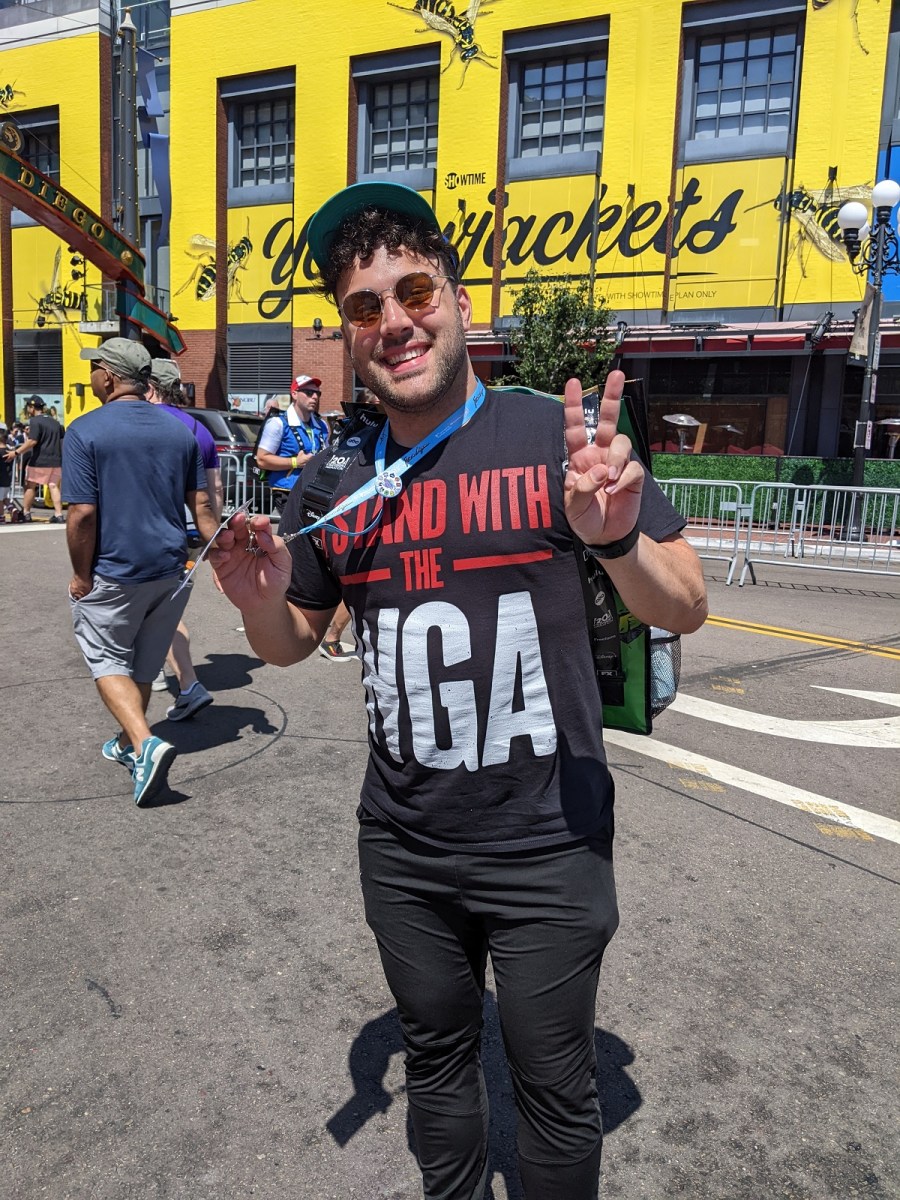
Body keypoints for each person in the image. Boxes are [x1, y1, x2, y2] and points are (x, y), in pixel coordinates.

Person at [210, 182, 707, 1199]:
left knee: (553, 1086)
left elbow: (686, 604)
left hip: (548, 842)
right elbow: (294, 640)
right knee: (437, 1065)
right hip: (403, 844)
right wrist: (261, 603)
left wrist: (613, 537)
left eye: (415, 289)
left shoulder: (552, 440)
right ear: (348, 335)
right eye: (365, 306)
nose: (395, 321)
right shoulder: (336, 476)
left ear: (461, 301)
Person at [62, 338, 219, 806]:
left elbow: (82, 515)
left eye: (95, 370)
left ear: (108, 375)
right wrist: (222, 552)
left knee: (107, 659)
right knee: (145, 664)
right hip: (172, 568)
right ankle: (130, 743)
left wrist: (81, 575)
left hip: (115, 569)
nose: (92, 377)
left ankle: (144, 742)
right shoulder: (182, 431)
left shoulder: (85, 429)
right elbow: (204, 506)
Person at [146, 357, 219, 720]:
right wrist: (213, 539)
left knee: (161, 608)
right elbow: (213, 491)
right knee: (164, 605)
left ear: (149, 387)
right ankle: (160, 670)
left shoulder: (145, 424)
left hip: (155, 533)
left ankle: (187, 683)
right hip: (192, 533)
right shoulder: (199, 429)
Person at [254, 374, 329, 513]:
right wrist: (295, 462)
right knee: (293, 533)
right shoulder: (278, 423)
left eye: (318, 393)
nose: (314, 397)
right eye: (308, 392)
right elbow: (262, 459)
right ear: (294, 394)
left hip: (313, 491)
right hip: (287, 491)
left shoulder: (322, 425)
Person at [4, 395, 64, 522]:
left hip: (39, 460)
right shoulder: (56, 423)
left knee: (30, 486)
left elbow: (32, 441)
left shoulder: (35, 421)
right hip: (56, 461)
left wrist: (16, 452)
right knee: (53, 486)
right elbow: (62, 441)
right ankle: (59, 514)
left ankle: (26, 513)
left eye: (28, 407)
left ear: (32, 407)